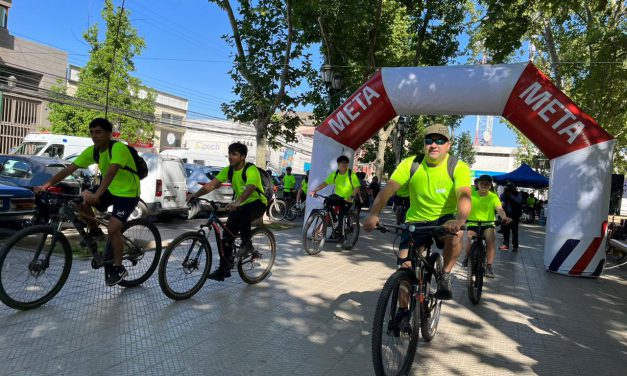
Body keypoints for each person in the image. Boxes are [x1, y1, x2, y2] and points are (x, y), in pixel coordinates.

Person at [364, 123, 472, 301]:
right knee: (404, 269)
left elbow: (464, 195)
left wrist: (459, 219)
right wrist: (374, 214)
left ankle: (445, 274)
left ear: (448, 145)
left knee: (456, 235)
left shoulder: (457, 166)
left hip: (444, 220)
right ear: (424, 144)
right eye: (429, 140)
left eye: (440, 140)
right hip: (416, 221)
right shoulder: (411, 164)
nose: (434, 145)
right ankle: (402, 315)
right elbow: (388, 190)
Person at [34, 118, 141, 286]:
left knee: (113, 229)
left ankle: (118, 267)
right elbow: (69, 169)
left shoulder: (118, 148)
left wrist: (97, 194)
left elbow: (111, 173)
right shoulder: (93, 151)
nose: (94, 136)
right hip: (110, 190)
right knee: (78, 201)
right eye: (91, 132)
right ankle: (95, 231)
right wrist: (45, 185)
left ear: (108, 133)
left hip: (127, 192)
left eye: (98, 132)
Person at [188, 142, 267, 281]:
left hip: (258, 203)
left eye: (234, 154)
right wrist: (196, 194)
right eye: (230, 154)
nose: (231, 157)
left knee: (244, 212)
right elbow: (212, 184)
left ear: (242, 156)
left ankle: (247, 244)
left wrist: (237, 202)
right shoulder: (229, 170)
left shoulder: (250, 169)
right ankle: (224, 270)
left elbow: (250, 187)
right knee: (226, 238)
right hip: (240, 205)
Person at [462, 175, 511, 278]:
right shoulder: (472, 193)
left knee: (490, 241)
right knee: (469, 239)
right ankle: (467, 257)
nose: (484, 185)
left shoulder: (493, 196)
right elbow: (464, 205)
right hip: (473, 222)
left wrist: (504, 217)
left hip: (488, 224)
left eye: (487, 184)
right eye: (482, 183)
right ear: (477, 184)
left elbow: (499, 208)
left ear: (490, 186)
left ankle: (489, 266)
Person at [309, 155, 360, 241]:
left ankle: (341, 237)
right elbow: (325, 183)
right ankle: (334, 221)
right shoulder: (335, 174)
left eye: (345, 165)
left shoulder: (351, 174)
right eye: (341, 165)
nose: (343, 167)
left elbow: (357, 187)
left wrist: (351, 197)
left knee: (341, 216)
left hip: (347, 199)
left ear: (347, 165)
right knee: (327, 202)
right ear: (338, 164)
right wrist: (315, 191)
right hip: (337, 197)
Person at [499, 182, 523, 251]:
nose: (509, 190)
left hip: (514, 216)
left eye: (510, 189)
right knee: (506, 231)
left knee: (514, 231)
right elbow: (501, 201)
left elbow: (518, 200)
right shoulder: (504, 194)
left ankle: (515, 246)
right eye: (507, 189)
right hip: (506, 215)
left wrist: (511, 195)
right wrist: (505, 194)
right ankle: (505, 245)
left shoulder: (518, 194)